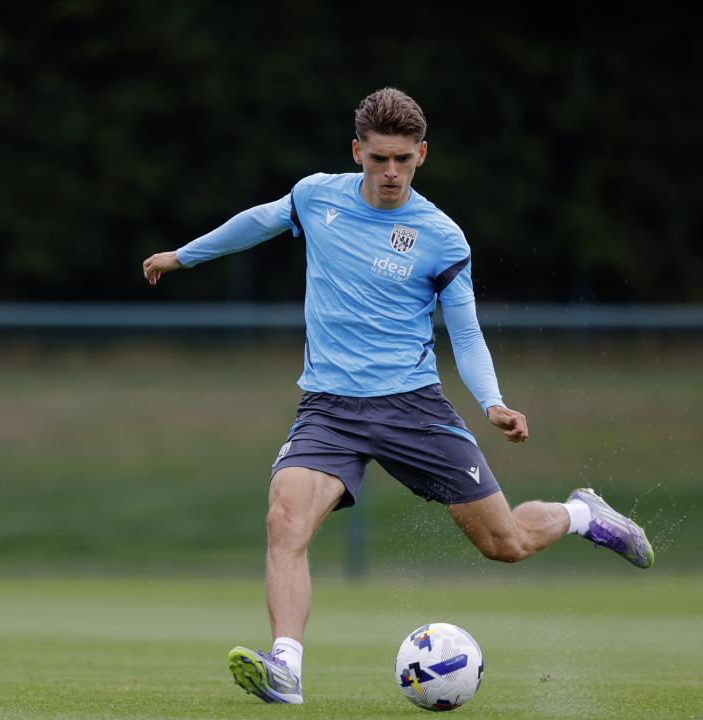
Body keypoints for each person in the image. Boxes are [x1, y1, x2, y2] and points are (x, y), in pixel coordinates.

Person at [141, 87, 653, 705]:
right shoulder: (316, 197)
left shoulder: (441, 237)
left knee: (504, 545)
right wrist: (182, 257)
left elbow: (464, 333)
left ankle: (582, 514)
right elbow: (259, 221)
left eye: (403, 160)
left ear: (422, 156)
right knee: (285, 521)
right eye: (379, 158)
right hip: (328, 409)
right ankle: (286, 667)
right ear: (357, 151)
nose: (390, 172)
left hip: (412, 408)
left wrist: (492, 401)